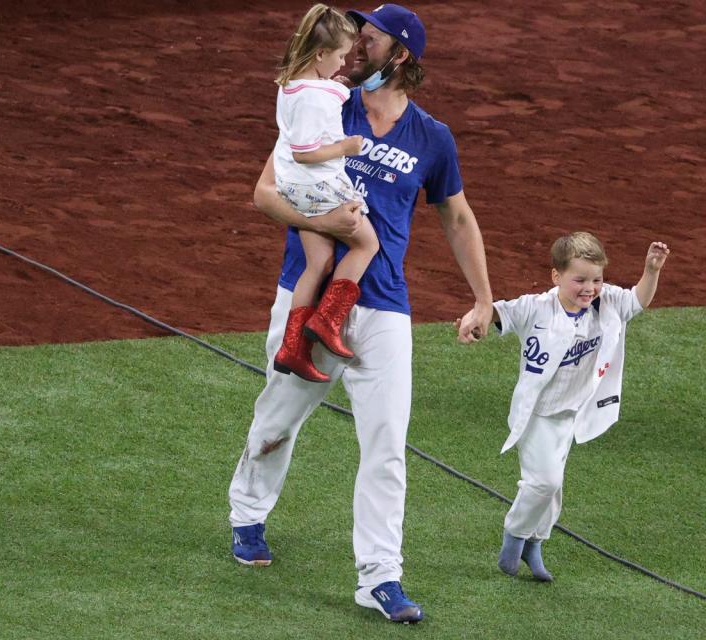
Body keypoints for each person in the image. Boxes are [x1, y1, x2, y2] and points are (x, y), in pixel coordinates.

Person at [228, 4, 493, 624]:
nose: (355, 49)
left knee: (387, 444)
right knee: (277, 420)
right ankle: (248, 511)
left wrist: (483, 297)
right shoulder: (326, 104)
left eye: (368, 39)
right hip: (310, 294)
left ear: (399, 55)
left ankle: (380, 576)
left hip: (384, 308)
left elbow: (456, 216)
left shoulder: (431, 137)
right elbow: (265, 192)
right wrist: (319, 223)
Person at [472, 233, 670, 581]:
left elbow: (638, 300)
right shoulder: (537, 307)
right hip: (537, 413)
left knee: (554, 488)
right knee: (543, 483)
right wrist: (476, 321)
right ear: (556, 277)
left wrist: (650, 270)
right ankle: (514, 538)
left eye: (596, 279)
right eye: (579, 279)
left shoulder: (607, 302)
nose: (589, 287)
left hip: (573, 412)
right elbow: (498, 313)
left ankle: (535, 545)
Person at [270, 4, 380, 384]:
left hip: (293, 188)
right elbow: (306, 151)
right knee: (367, 244)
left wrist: (339, 86)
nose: (342, 62)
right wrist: (346, 148)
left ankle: (292, 349)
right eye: (338, 56)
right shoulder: (316, 96)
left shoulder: (292, 84)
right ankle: (328, 320)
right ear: (320, 54)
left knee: (319, 263)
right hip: (317, 183)